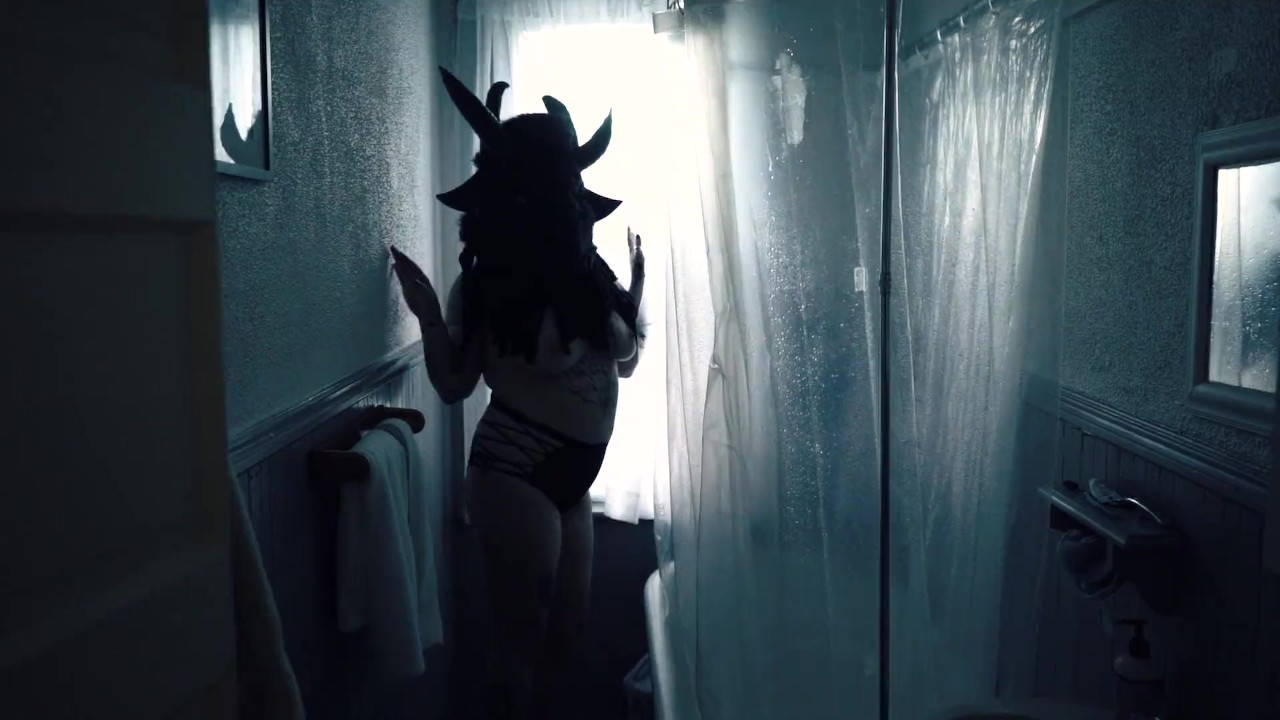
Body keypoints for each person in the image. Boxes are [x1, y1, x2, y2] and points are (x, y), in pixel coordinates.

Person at [392, 67, 645, 720]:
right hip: (514, 469)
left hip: (573, 477)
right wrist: (428, 316)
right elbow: (454, 386)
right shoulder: (485, 287)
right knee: (521, 641)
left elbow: (624, 367)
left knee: (567, 631)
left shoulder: (593, 278)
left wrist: (633, 295)